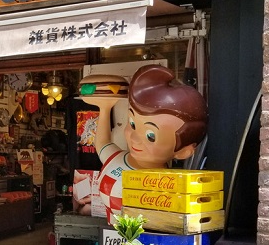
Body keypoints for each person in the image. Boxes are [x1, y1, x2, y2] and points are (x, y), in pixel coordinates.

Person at [82, 64, 208, 220]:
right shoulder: (116, 158)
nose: (134, 138)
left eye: (151, 136)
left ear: (184, 152)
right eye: (132, 124)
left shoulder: (167, 184)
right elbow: (102, 143)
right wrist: (105, 108)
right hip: (112, 234)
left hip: (147, 239)